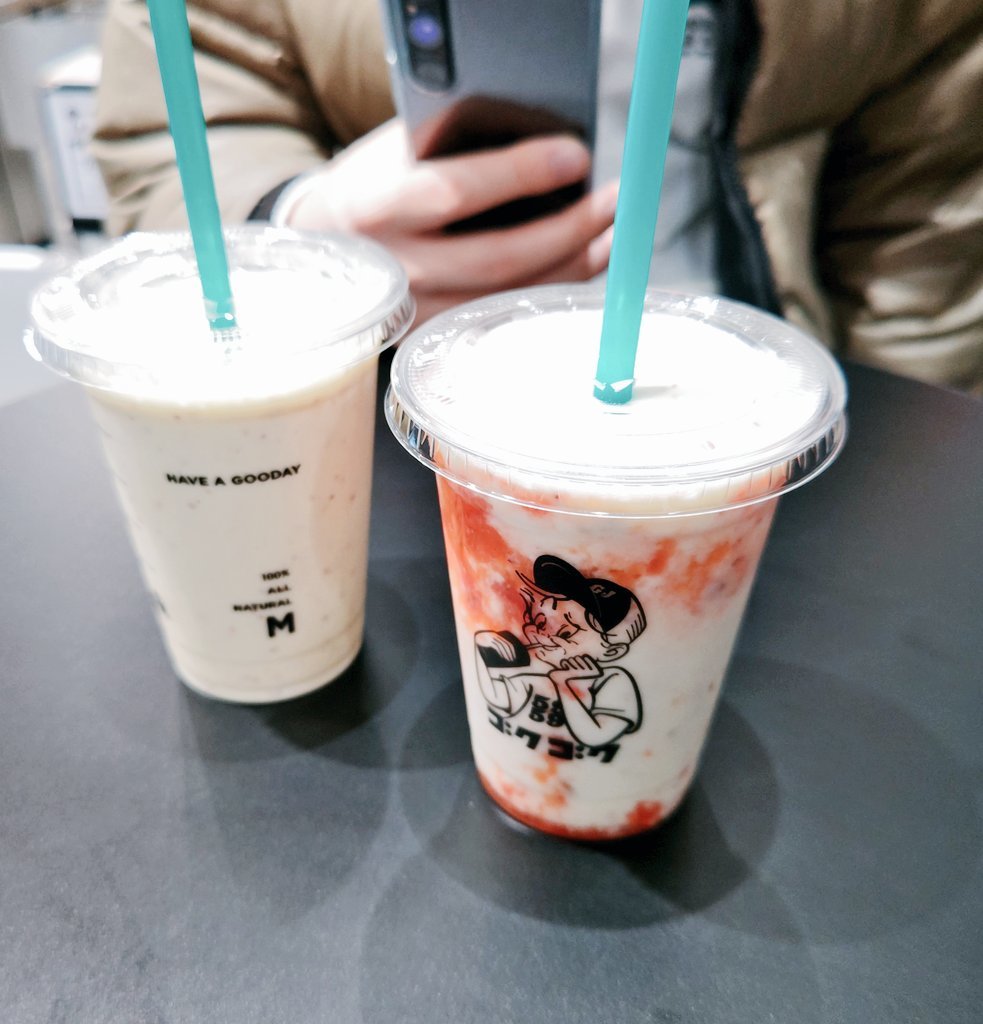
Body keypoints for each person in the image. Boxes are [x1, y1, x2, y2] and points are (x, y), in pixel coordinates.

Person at [92, 0, 983, 392]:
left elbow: (928, 216)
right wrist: (299, 246)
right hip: (369, 417)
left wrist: (889, 471)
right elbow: (176, 116)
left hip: (754, 407)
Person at [474, 555, 645, 751]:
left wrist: (568, 685)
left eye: (565, 633)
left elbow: (597, 735)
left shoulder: (612, 679)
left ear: (612, 651)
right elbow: (500, 702)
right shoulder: (531, 666)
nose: (542, 635)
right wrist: (486, 650)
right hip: (508, 757)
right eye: (540, 622)